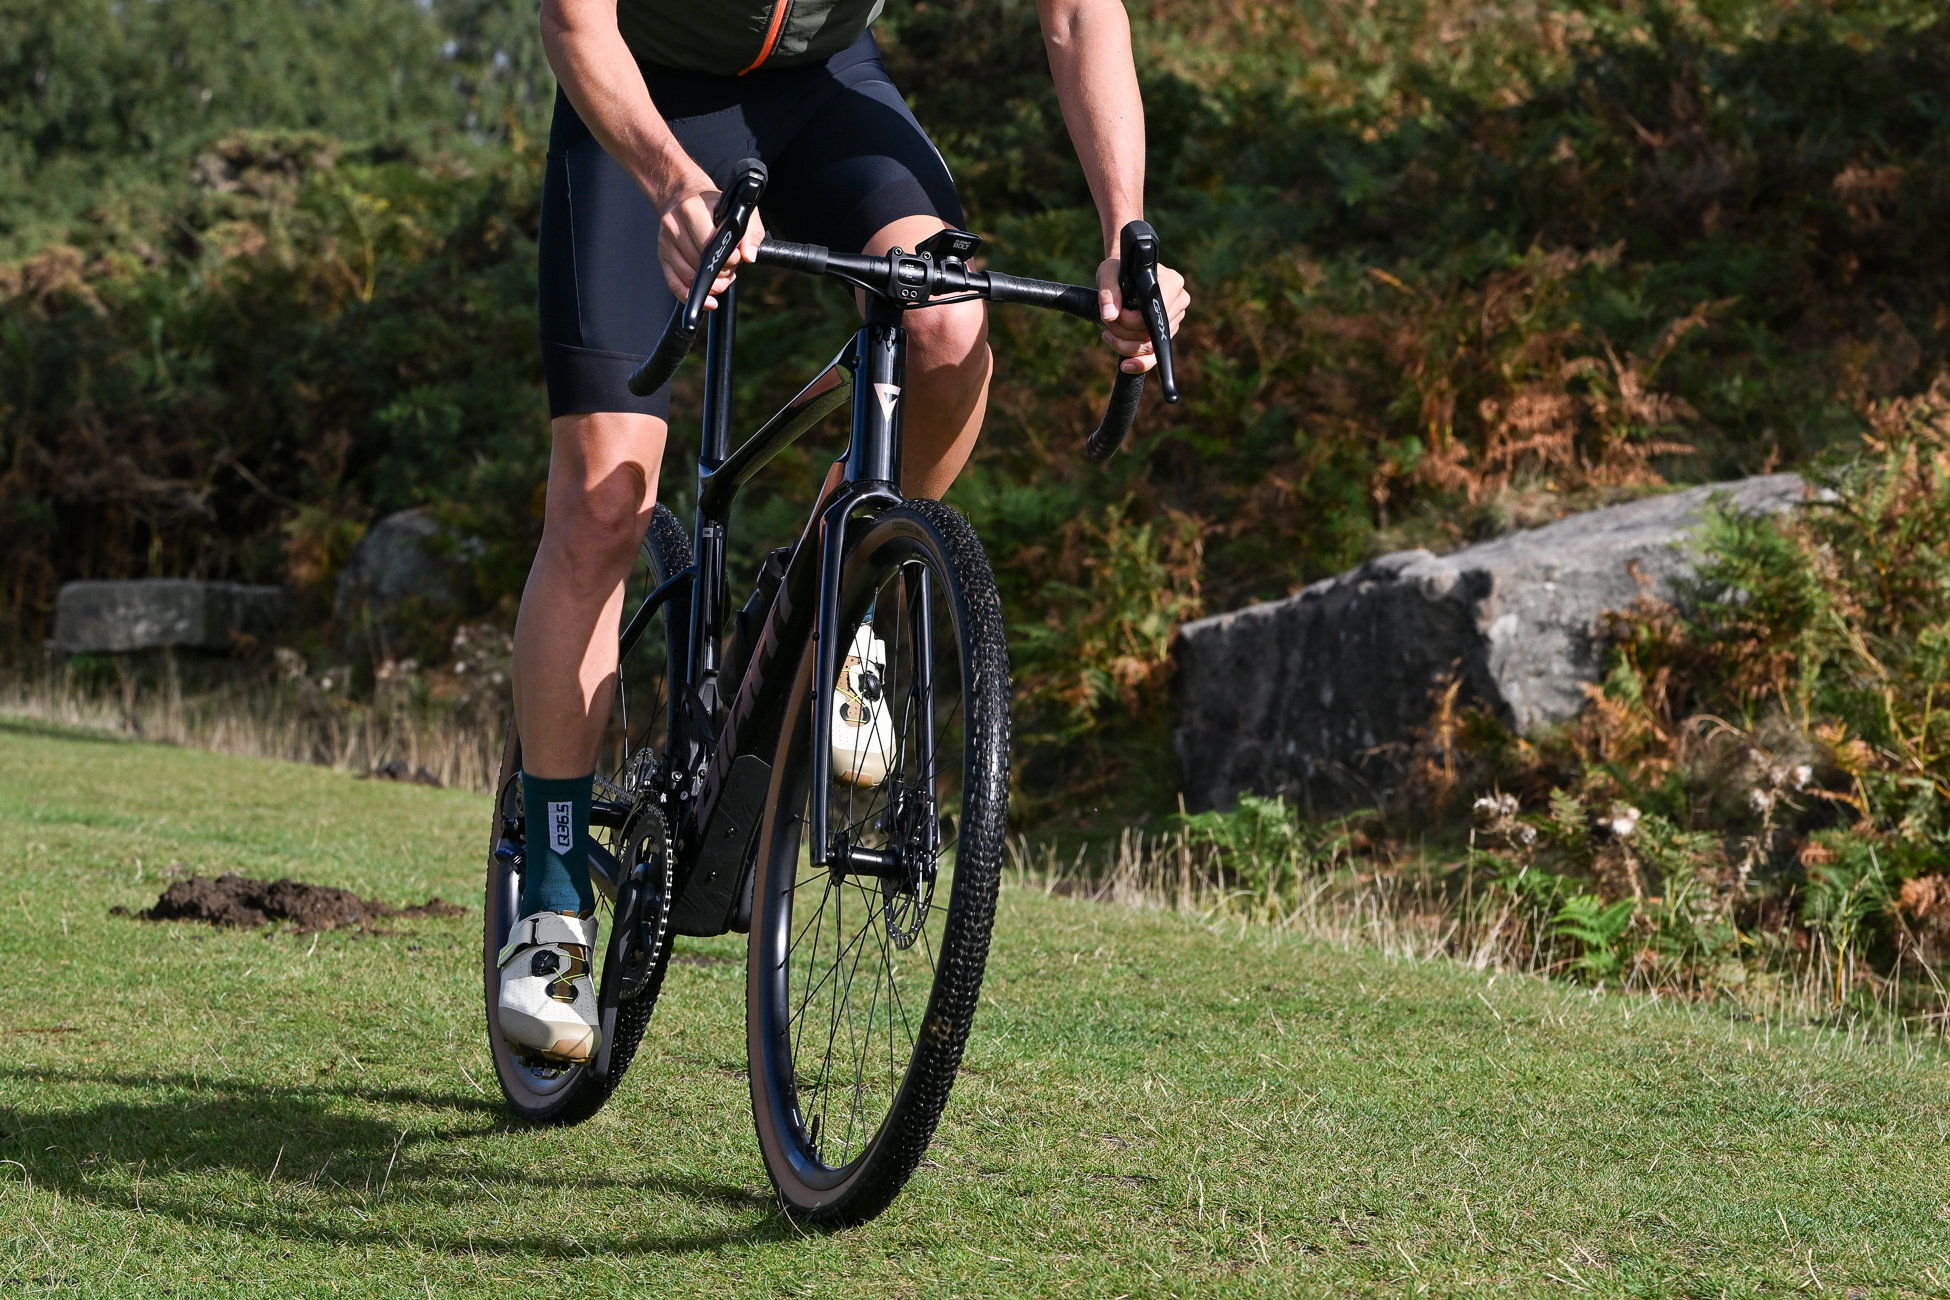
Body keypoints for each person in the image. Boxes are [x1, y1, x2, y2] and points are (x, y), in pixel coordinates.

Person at [497, 0, 1192, 1064]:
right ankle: (548, 892)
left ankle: (842, 597)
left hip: (827, 87)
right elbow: (572, 20)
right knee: (602, 499)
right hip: (643, 88)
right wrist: (671, 182)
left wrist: (1124, 237)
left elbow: (1078, 14)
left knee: (948, 322)